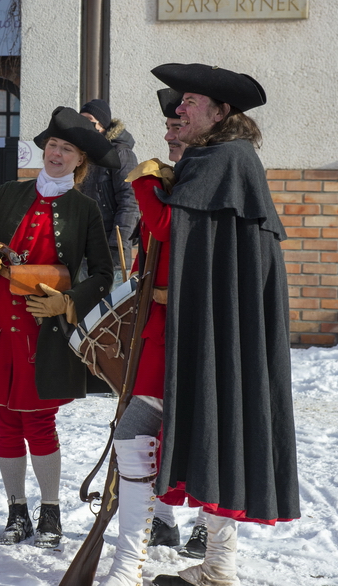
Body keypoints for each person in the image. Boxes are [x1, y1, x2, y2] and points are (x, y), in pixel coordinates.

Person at [90, 64, 300, 586]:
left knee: (144, 437)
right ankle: (212, 572)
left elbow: (169, 228)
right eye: (179, 102)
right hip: (185, 330)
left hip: (200, 336)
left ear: (221, 113)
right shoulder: (216, 162)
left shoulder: (226, 160)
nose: (179, 108)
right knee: (193, 440)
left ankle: (129, 571)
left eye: (190, 101)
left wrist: (141, 180)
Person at [0, 106, 116, 547]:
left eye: (66, 149)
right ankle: (17, 511)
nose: (56, 154)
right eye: (52, 145)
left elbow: (103, 274)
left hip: (46, 333)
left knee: (39, 421)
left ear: (78, 161)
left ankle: (49, 513)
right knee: (3, 420)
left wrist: (67, 302)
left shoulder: (85, 208)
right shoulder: (8, 193)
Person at [144, 88, 207, 560]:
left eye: (177, 129)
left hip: (200, 324)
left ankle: (208, 520)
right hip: (157, 325)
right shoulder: (169, 180)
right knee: (147, 423)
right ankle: (160, 519)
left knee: (203, 422)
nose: (170, 135)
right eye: (168, 128)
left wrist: (144, 187)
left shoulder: (204, 178)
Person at [78, 99, 139, 283]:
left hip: (111, 254)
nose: (84, 127)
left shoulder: (121, 154)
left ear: (102, 126)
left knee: (108, 309)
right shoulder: (82, 154)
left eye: (89, 121)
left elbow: (130, 202)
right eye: (80, 121)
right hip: (82, 252)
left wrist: (117, 245)